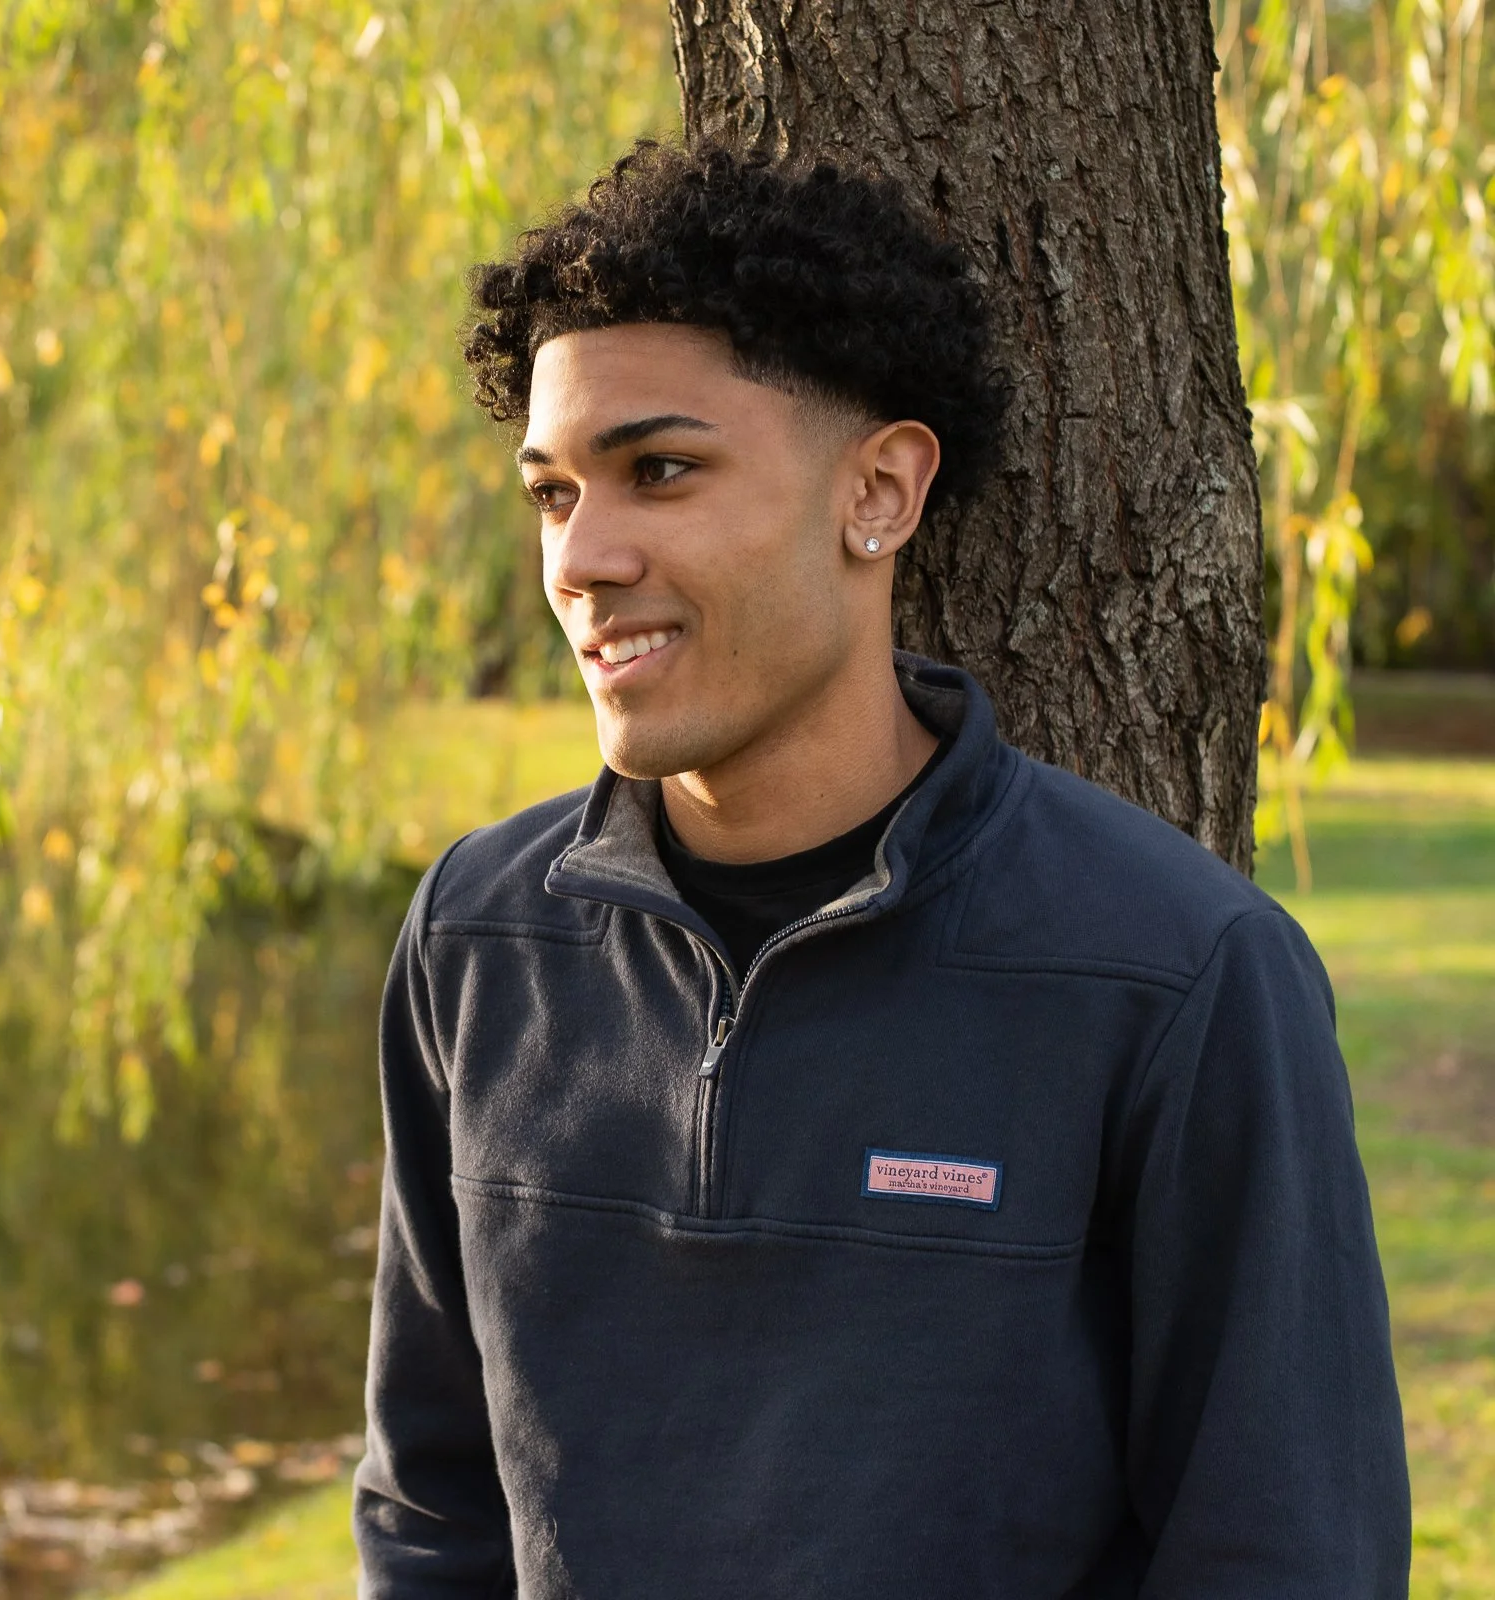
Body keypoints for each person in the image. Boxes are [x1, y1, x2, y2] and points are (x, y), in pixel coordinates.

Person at [353, 141, 1410, 1598]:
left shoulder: (1177, 976)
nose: (582, 558)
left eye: (660, 470)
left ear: (880, 493)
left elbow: (1284, 1552)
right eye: (551, 494)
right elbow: (431, 1506)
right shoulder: (476, 941)